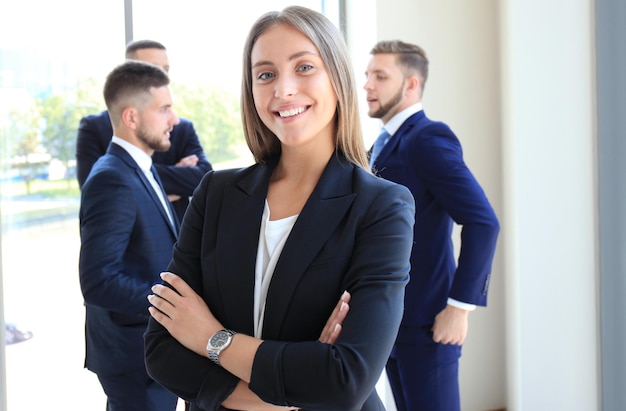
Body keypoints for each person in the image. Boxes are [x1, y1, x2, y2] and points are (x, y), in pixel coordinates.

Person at [143, 6, 416, 411]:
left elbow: (345, 379)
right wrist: (280, 397)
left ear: (337, 78)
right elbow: (162, 348)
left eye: (304, 67)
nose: (283, 90)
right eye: (265, 74)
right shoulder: (216, 193)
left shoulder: (382, 205)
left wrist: (210, 338)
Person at [363, 40, 500, 411]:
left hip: (428, 322)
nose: (367, 85)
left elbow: (483, 221)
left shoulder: (427, 138)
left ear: (410, 85)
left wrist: (459, 308)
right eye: (367, 75)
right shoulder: (381, 143)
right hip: (390, 320)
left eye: (380, 76)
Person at [79, 60, 181, 411]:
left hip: (150, 354)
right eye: (164, 109)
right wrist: (173, 308)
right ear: (131, 118)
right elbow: (98, 280)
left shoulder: (141, 169)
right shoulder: (113, 179)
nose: (174, 120)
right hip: (133, 357)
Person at [76, 39, 212, 223]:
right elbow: (97, 189)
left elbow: (203, 180)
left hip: (180, 239)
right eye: (153, 68)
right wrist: (172, 180)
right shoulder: (94, 128)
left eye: (166, 69)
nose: (162, 77)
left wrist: (137, 181)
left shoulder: (181, 127)